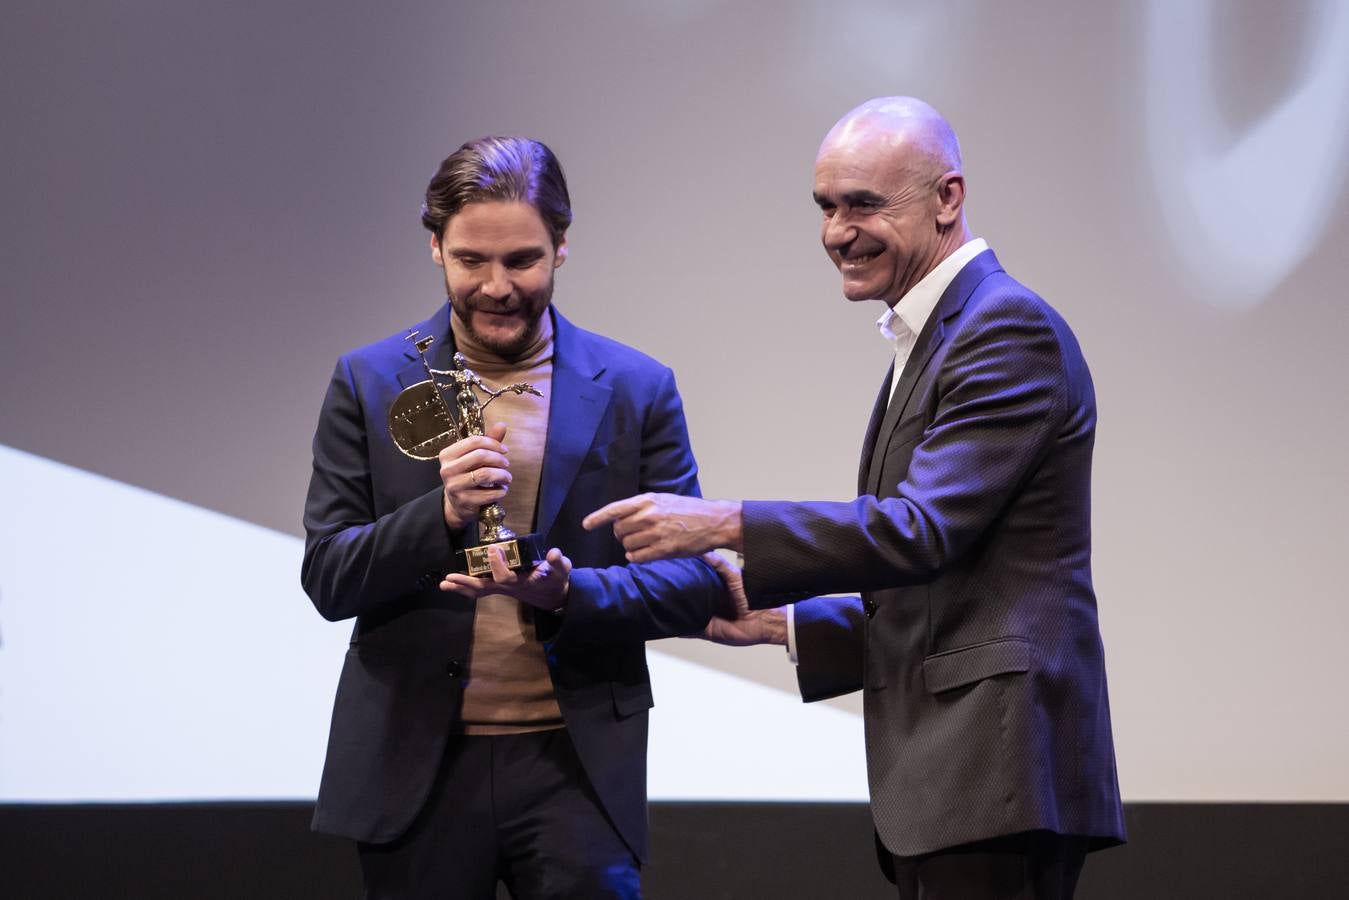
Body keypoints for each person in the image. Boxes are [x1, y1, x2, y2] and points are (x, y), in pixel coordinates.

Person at [584, 97, 1126, 898]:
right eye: (826, 206)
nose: (837, 231)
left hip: (997, 772)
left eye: (864, 204)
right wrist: (778, 623)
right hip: (959, 782)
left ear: (947, 197)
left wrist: (723, 522)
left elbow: (920, 532)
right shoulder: (940, 332)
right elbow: (949, 590)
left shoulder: (1003, 327)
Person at [301, 136, 724, 899]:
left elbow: (693, 586)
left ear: (562, 247)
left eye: (522, 259)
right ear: (435, 246)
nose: (496, 286)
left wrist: (567, 596)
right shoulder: (367, 379)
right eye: (471, 260)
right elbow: (328, 579)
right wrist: (443, 513)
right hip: (415, 768)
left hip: (576, 767)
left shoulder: (635, 387)